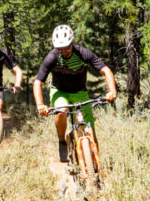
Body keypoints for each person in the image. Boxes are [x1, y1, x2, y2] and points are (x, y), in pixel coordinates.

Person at [33, 24, 117, 162]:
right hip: (59, 91)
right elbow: (38, 82)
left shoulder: (83, 54)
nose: (63, 51)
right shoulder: (52, 57)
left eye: (66, 47)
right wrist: (40, 105)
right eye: (60, 49)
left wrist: (112, 90)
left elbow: (105, 71)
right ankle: (62, 141)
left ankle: (95, 165)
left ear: (72, 43)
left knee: (90, 130)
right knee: (62, 111)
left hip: (79, 91)